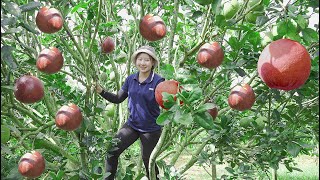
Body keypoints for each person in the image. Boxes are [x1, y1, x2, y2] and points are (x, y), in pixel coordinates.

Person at [95, 45, 165, 180]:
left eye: (147, 60)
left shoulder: (158, 81)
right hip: (132, 125)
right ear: (135, 61)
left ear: (153, 63)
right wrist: (101, 91)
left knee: (148, 161)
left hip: (150, 129)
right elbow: (117, 98)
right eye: (140, 59)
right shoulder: (131, 79)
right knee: (112, 151)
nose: (143, 63)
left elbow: (167, 102)